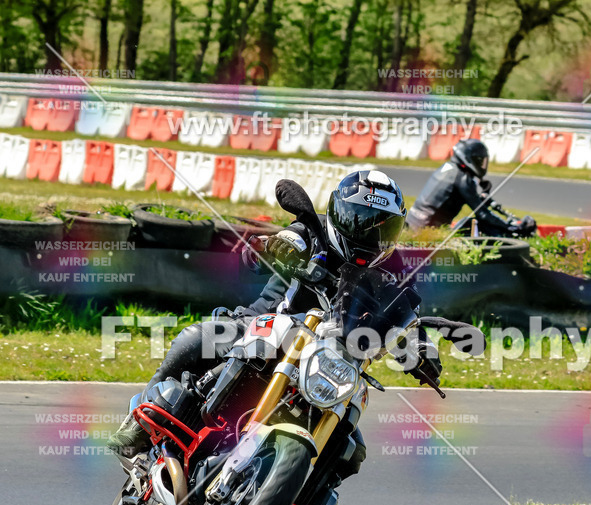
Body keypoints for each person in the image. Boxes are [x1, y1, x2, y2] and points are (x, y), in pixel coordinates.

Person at [107, 169, 441, 463]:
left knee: (351, 448)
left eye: (382, 228)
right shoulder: (314, 230)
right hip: (262, 326)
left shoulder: (393, 267)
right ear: (339, 213)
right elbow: (286, 239)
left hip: (330, 357)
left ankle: (304, 492)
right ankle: (137, 419)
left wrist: (421, 348)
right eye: (360, 220)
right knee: (198, 339)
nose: (369, 235)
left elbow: (406, 310)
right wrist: (272, 246)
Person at [406, 138, 536, 237]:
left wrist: (481, 197)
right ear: (470, 159)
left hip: (413, 224)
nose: (482, 165)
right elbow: (483, 214)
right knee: (474, 224)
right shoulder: (462, 178)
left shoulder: (448, 168)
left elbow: (463, 196)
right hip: (427, 231)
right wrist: (509, 228)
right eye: (480, 161)